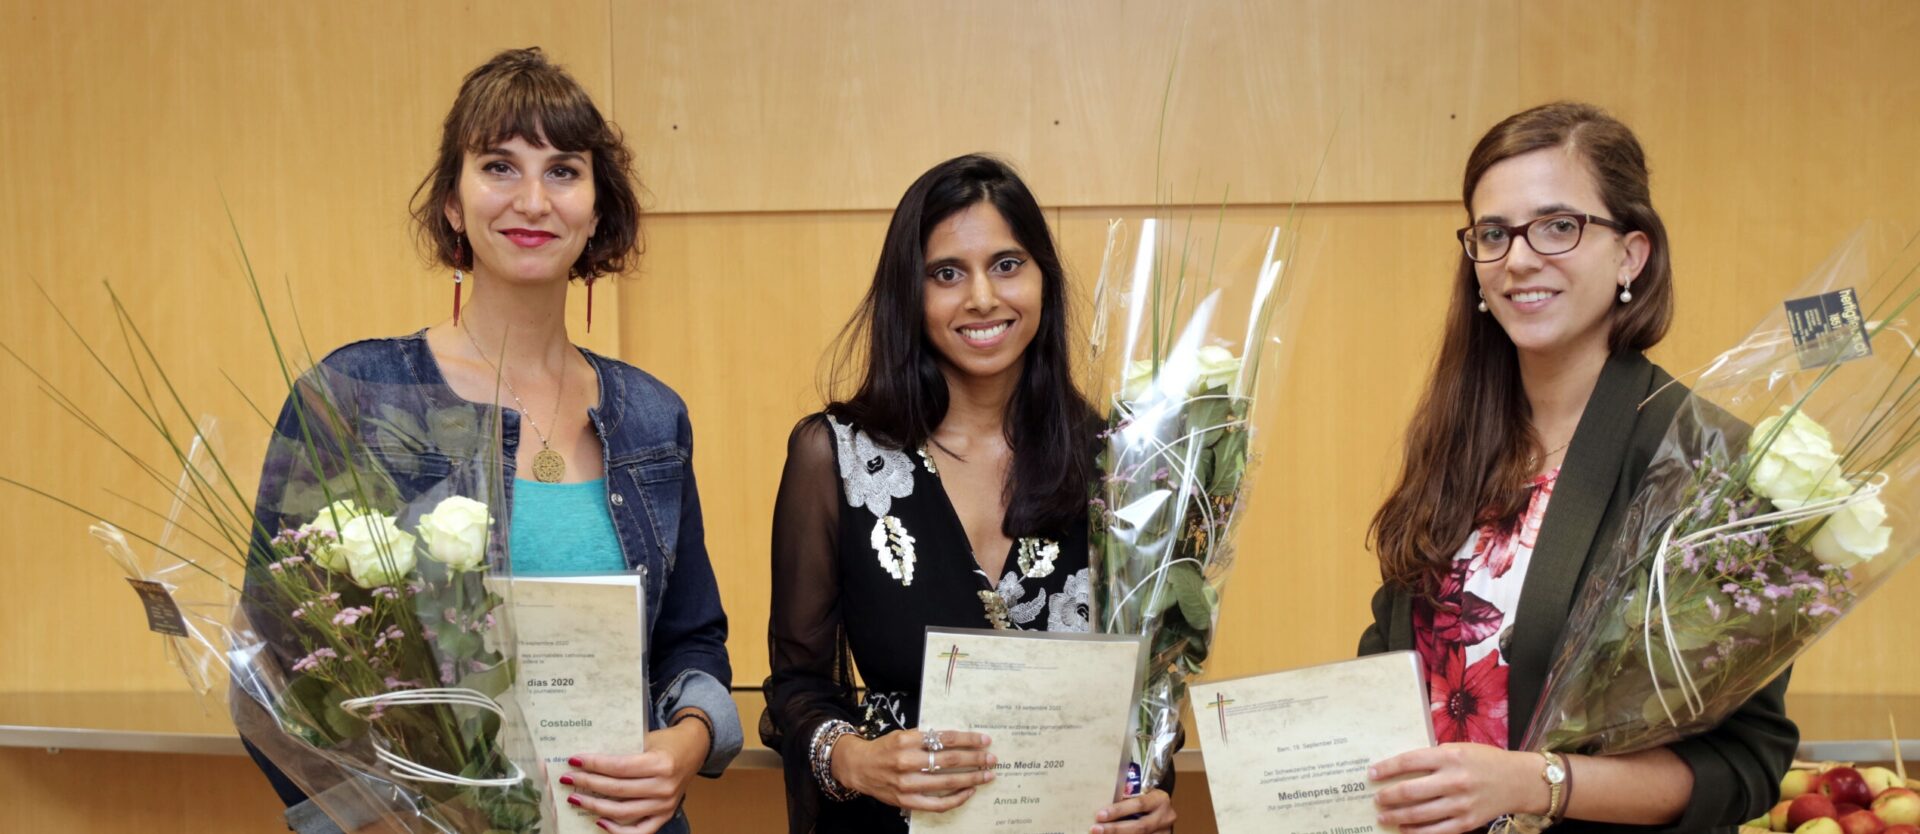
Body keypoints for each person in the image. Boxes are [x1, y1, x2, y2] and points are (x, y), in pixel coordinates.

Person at [239, 47, 740, 834]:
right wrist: (381, 820)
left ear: (598, 209)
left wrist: (687, 743)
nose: (533, 200)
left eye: (564, 171)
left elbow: (693, 639)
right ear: (451, 202)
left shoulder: (652, 415)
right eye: (499, 167)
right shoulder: (358, 396)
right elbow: (273, 658)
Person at [1358, 102, 1798, 834]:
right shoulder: (1458, 443)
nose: (1520, 258)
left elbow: (1747, 762)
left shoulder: (1705, 462)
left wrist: (1537, 783)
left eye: (1558, 226)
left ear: (1631, 254)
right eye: (1493, 234)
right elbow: (1390, 666)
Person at [759, 154, 1176, 834]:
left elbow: (1149, 695)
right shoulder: (833, 456)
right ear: (910, 294)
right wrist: (855, 760)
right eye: (946, 273)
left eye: (1008, 264)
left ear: (1044, 279)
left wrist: (1149, 789)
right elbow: (798, 688)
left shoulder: (1117, 466)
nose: (982, 297)